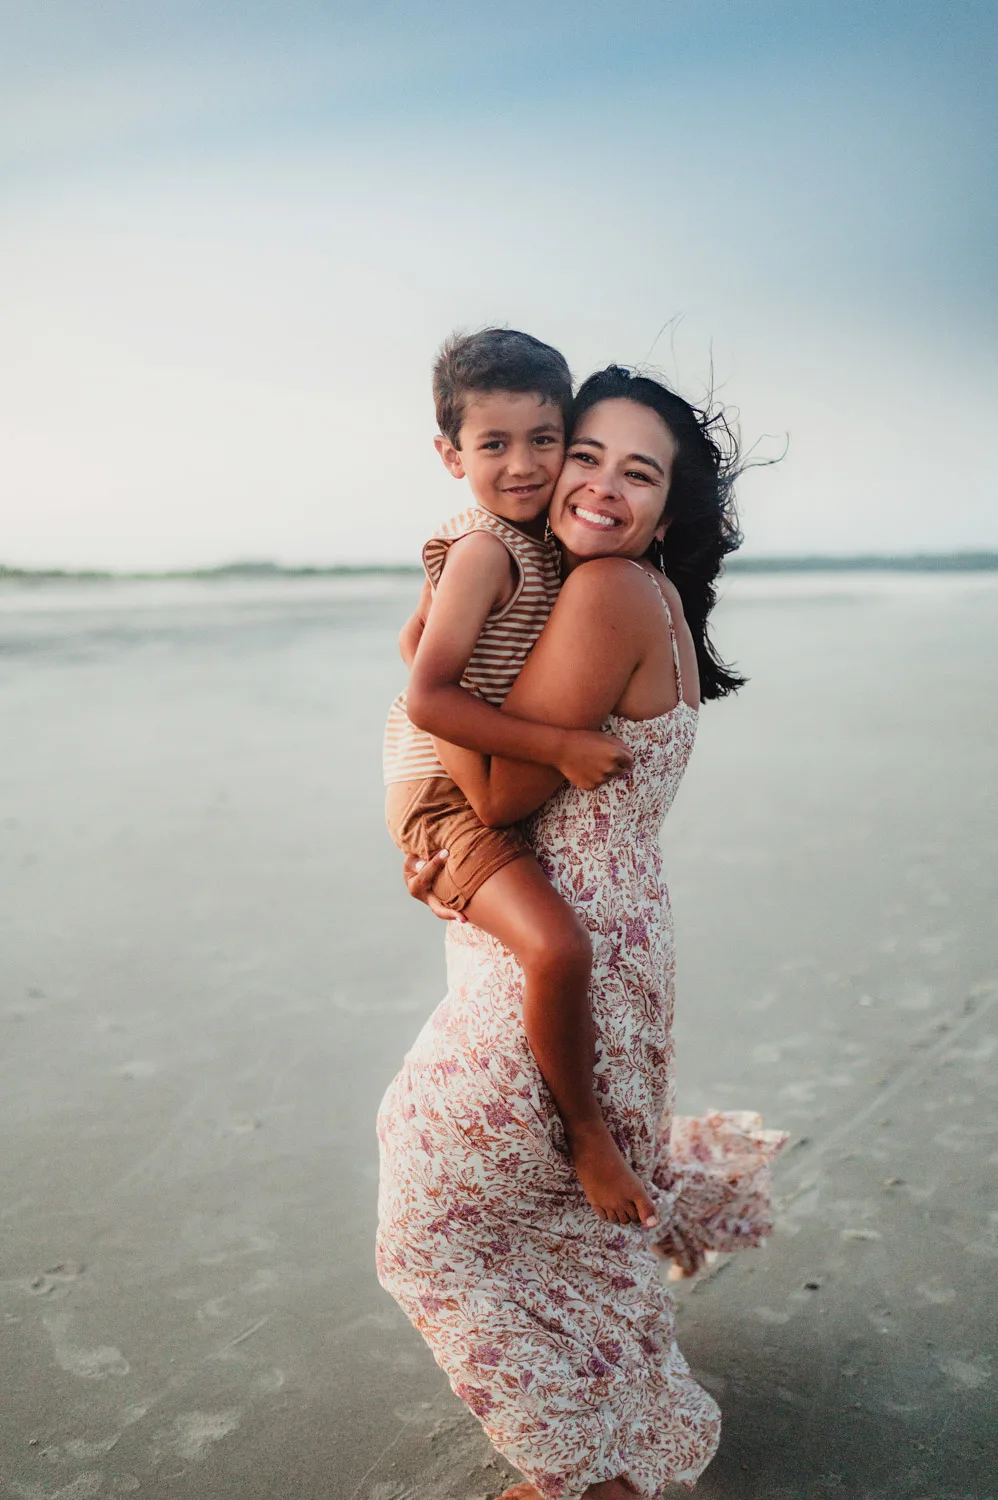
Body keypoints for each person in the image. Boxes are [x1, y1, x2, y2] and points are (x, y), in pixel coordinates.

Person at [377, 366, 787, 1500]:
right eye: (585, 456)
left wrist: (420, 658)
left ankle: (579, 1471)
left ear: (667, 506)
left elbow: (506, 795)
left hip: (565, 956)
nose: (597, 485)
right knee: (562, 1226)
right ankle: (604, 1450)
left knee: (431, 1235)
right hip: (615, 938)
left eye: (636, 471)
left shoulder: (604, 589)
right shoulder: (642, 593)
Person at [385, 328, 659, 1230]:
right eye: (492, 444)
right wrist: (561, 748)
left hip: (471, 776)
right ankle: (584, 1133)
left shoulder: (544, 541)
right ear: (448, 454)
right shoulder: (483, 550)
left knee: (555, 948)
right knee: (557, 949)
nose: (524, 464)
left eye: (545, 439)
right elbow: (427, 693)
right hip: (442, 792)